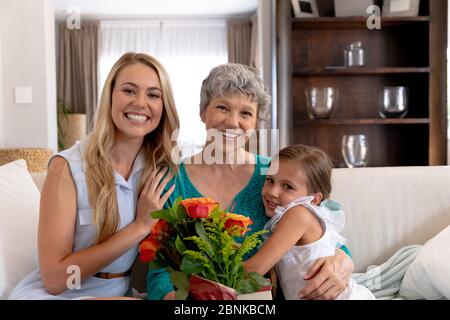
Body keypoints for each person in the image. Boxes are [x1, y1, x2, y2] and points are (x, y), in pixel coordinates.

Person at [146, 63, 354, 300]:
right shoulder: (172, 181)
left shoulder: (276, 174)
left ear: (255, 123)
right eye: (222, 107)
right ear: (203, 112)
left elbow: (323, 230)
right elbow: (159, 271)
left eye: (246, 113)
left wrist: (344, 261)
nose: (233, 122)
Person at [7, 52, 179, 299]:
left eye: (153, 94)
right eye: (129, 91)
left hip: (120, 294)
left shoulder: (159, 169)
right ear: (109, 96)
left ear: (164, 107)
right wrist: (139, 226)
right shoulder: (66, 167)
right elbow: (55, 279)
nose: (140, 103)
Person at [244, 145, 375, 300]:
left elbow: (254, 270)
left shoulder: (299, 215)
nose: (273, 192)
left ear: (314, 199)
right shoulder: (293, 217)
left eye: (287, 186)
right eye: (270, 180)